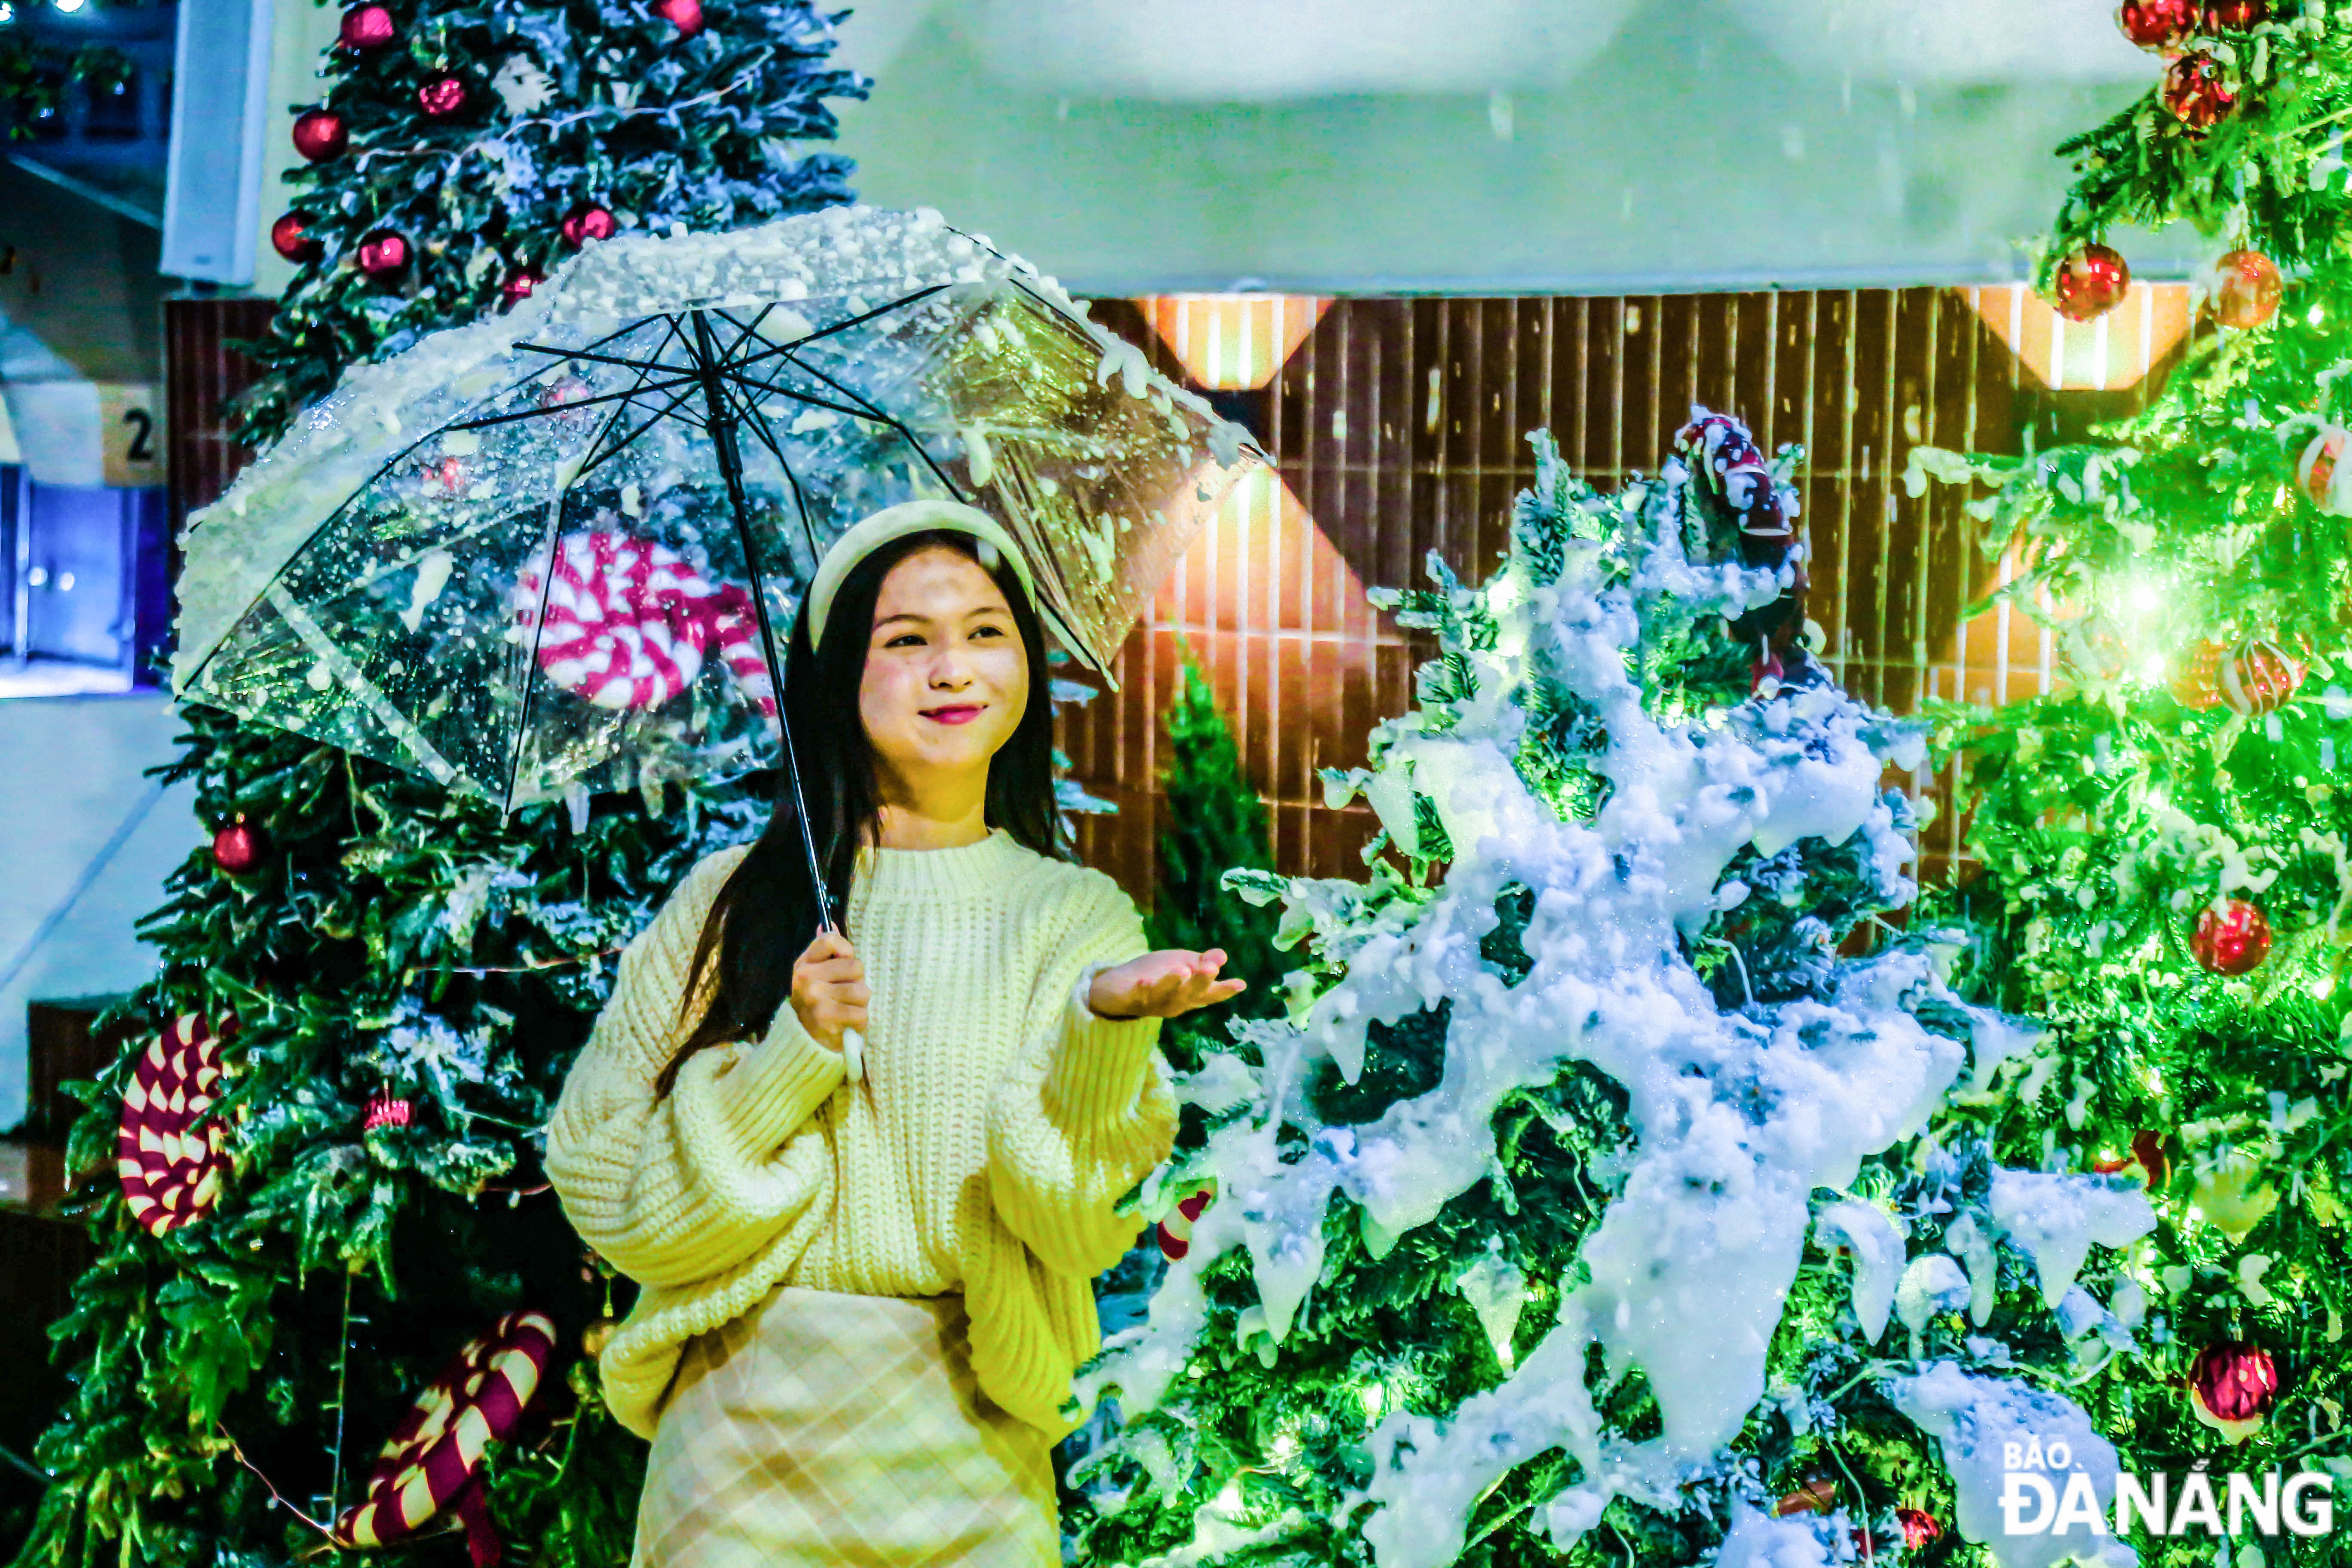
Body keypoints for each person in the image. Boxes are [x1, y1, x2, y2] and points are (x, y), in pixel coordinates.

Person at [545, 499, 1241, 1568]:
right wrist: (788, 1061)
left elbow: (1078, 1232)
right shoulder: (734, 900)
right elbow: (598, 1176)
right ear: (835, 681)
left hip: (972, 1431)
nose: (953, 670)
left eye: (985, 631)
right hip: (739, 1439)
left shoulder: (1075, 917)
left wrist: (1099, 1030)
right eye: (907, 640)